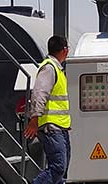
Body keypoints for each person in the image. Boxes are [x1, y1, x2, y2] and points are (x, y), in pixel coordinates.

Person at [24, 36, 71, 184]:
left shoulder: (57, 69)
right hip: (51, 127)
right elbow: (39, 93)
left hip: (60, 127)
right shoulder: (49, 68)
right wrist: (34, 119)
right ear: (65, 50)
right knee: (58, 167)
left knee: (62, 170)